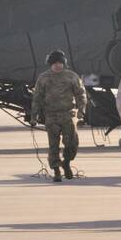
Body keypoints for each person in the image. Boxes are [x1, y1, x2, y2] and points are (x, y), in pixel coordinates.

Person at [28, 50, 86, 182]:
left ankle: (66, 163)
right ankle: (56, 171)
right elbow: (37, 98)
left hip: (68, 115)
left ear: (64, 63)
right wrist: (33, 116)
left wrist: (81, 111)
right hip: (51, 116)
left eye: (60, 63)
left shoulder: (72, 76)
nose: (57, 65)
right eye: (54, 63)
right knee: (53, 145)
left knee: (72, 144)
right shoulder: (43, 78)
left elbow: (80, 94)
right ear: (50, 64)